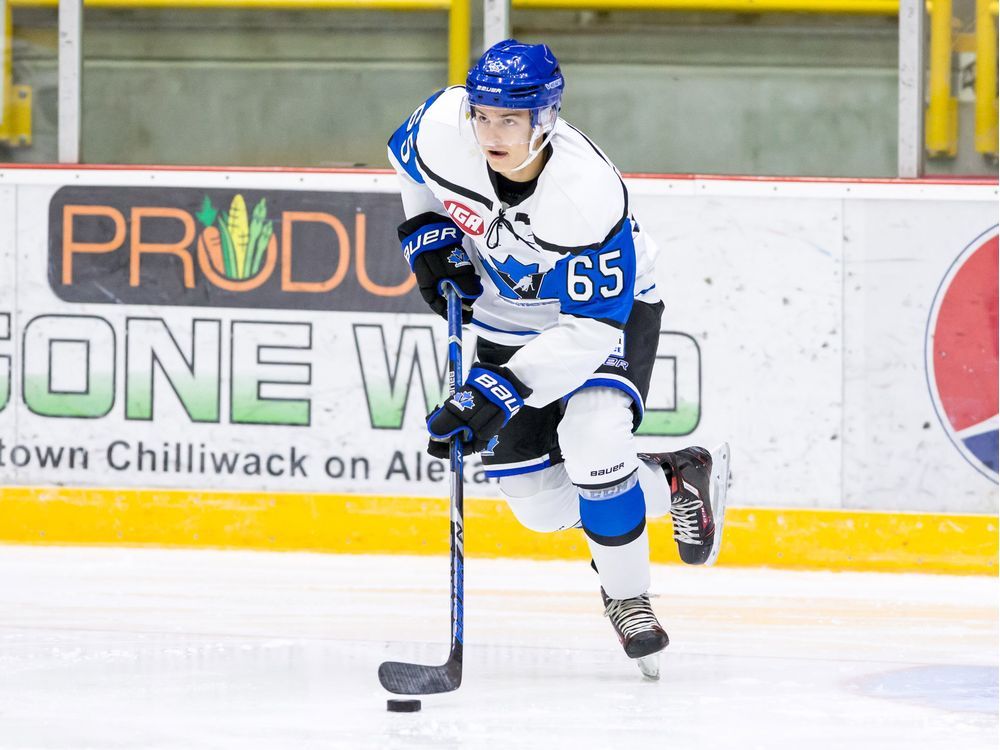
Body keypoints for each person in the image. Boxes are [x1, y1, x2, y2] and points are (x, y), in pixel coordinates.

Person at [387, 39, 730, 678]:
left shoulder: (587, 194)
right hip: (503, 316)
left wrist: (504, 387)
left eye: (510, 120)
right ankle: (674, 479)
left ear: (544, 119)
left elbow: (593, 328)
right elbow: (410, 168)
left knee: (593, 442)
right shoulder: (441, 123)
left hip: (606, 314)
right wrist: (424, 234)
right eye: (482, 115)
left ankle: (629, 599)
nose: (491, 131)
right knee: (543, 509)